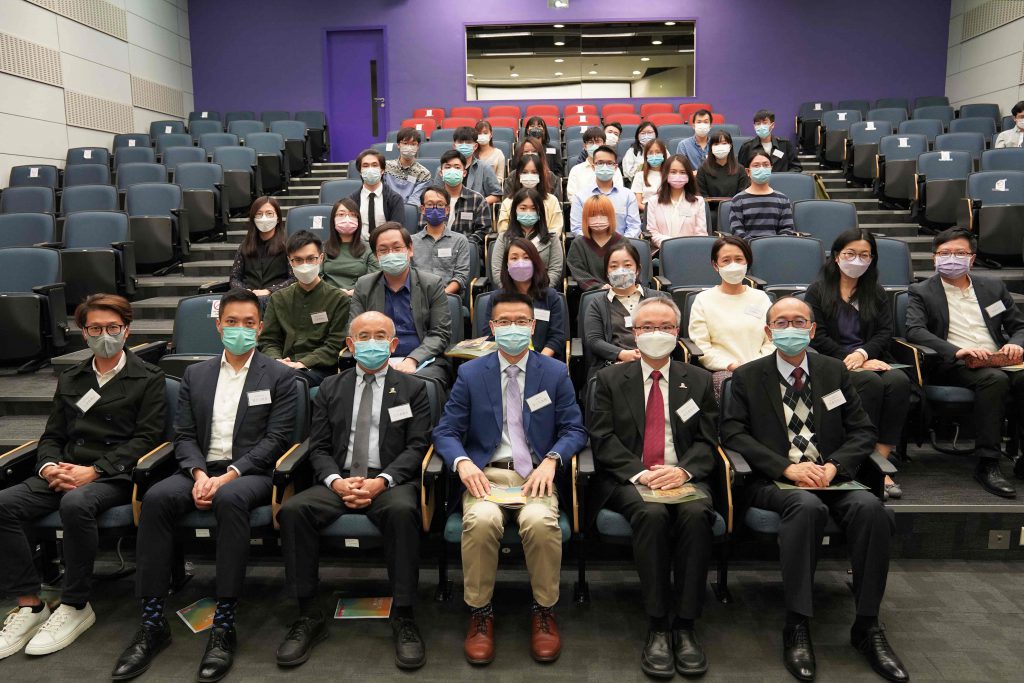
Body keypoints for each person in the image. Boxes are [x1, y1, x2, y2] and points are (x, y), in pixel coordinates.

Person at [720, 297, 909, 683]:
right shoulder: (748, 377)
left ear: (811, 329)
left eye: (799, 321)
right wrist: (786, 467)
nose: (791, 328)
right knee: (806, 509)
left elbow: (862, 431)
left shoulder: (833, 371)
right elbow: (733, 433)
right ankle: (797, 622)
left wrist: (833, 466)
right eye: (782, 322)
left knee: (872, 509)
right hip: (775, 479)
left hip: (830, 474)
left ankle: (868, 625)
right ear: (769, 332)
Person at [113, 289, 297, 682]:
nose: (240, 330)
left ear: (261, 328)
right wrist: (198, 474)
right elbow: (182, 435)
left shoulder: (279, 376)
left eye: (249, 323)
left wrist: (229, 475)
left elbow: (276, 440)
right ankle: (151, 622)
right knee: (158, 497)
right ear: (218, 326)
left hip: (250, 473)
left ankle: (224, 623)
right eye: (232, 322)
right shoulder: (195, 374)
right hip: (198, 469)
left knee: (230, 500)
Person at [0, 295, 164, 660]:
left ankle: (75, 603)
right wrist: (49, 467)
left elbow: (147, 438)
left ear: (127, 330)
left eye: (112, 328)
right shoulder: (72, 376)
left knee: (76, 503)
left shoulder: (148, 378)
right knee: (4, 504)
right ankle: (30, 602)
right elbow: (53, 435)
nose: (104, 335)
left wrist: (96, 470)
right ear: (83, 333)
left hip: (115, 475)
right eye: (95, 329)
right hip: (65, 469)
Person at [432, 291, 588, 666]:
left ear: (533, 327)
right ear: (491, 327)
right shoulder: (470, 373)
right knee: (481, 521)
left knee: (539, 521)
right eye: (504, 322)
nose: (513, 328)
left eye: (521, 322)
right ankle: (481, 612)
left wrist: (551, 460)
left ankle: (544, 609)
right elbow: (446, 431)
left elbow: (574, 429)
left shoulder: (554, 372)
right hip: (486, 475)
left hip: (536, 475)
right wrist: (463, 464)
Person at [275, 311, 432, 671]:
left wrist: (382, 481)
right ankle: (307, 614)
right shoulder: (330, 387)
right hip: (339, 478)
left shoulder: (413, 388)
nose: (371, 342)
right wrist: (335, 481)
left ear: (393, 345)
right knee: (294, 511)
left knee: (402, 512)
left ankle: (404, 615)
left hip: (389, 480)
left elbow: (417, 446)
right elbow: (317, 447)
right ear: (350, 344)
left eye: (380, 336)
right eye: (363, 336)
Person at [589, 297, 718, 678]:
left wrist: (684, 473)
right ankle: (658, 623)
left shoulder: (696, 379)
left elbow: (708, 440)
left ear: (676, 333)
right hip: (631, 478)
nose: (655, 334)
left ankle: (686, 625)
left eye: (664, 327)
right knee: (652, 513)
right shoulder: (610, 378)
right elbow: (602, 438)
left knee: (696, 513)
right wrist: (640, 474)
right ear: (634, 332)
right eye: (646, 327)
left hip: (683, 475)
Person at [906, 227, 1024, 497]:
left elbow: (1019, 326)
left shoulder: (993, 287)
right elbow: (915, 330)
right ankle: (988, 463)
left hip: (997, 359)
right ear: (934, 258)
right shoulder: (921, 291)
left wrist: (1016, 343)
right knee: (994, 381)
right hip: (952, 363)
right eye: (945, 253)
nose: (952, 258)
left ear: (972, 258)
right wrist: (957, 350)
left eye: (960, 253)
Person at [804, 229, 912, 499]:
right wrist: (849, 358)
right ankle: (861, 458)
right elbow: (817, 336)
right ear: (837, 256)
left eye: (864, 255)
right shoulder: (818, 290)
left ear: (872, 259)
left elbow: (885, 332)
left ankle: (881, 460)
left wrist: (863, 354)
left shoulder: (873, 290)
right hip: (832, 361)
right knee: (870, 382)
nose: (857, 260)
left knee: (899, 381)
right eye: (850, 254)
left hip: (870, 357)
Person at [350, 222, 452, 386]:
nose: (391, 254)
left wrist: (412, 360)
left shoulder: (431, 284)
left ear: (410, 249)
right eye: (383, 250)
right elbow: (353, 329)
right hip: (374, 359)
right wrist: (378, 362)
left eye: (397, 248)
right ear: (376, 256)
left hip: (422, 361)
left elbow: (440, 333)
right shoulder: (364, 285)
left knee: (420, 386)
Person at [260, 230, 350, 387]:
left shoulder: (338, 299)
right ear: (290, 262)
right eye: (298, 260)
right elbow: (269, 340)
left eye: (310, 259)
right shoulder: (278, 298)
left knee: (289, 381)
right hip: (282, 366)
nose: (305, 265)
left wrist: (302, 363)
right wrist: (277, 361)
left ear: (321, 258)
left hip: (319, 369)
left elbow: (334, 345)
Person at [688, 236, 774, 397]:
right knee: (730, 387)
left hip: (761, 367)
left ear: (747, 262)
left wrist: (756, 364)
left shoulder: (761, 298)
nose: (733, 265)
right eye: (726, 260)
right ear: (715, 265)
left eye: (739, 259)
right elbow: (702, 347)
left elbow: (772, 339)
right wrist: (730, 365)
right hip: (725, 371)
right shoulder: (703, 300)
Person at [583, 240, 666, 372]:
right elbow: (594, 340)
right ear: (606, 272)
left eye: (627, 265)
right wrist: (621, 354)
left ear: (638, 270)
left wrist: (648, 355)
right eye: (614, 266)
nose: (621, 271)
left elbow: (670, 332)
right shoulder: (597, 304)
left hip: (656, 363)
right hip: (614, 366)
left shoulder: (660, 299)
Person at [484, 237, 566, 359]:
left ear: (535, 262)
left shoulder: (550, 296)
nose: (520, 262)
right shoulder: (497, 298)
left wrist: (539, 361)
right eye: (514, 258)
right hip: (505, 361)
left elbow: (556, 337)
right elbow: (490, 336)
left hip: (542, 360)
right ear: (507, 264)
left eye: (526, 258)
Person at [491, 188, 565, 288]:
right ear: (515, 210)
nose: (528, 212)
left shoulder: (552, 238)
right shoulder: (503, 238)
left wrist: (539, 291)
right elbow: (497, 271)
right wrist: (514, 291)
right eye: (523, 208)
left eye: (533, 208)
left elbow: (555, 271)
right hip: (511, 294)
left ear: (540, 212)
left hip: (542, 293)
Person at [411, 185, 471, 296]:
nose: (435, 208)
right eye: (429, 204)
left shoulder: (460, 241)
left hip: (448, 298)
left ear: (447, 209)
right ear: (423, 209)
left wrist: (441, 295)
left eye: (440, 204)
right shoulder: (411, 242)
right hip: (418, 298)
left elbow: (461, 276)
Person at [569, 145, 641, 238]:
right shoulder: (580, 196)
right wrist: (597, 244)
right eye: (600, 163)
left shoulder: (628, 195)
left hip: (621, 248)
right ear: (593, 167)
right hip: (591, 247)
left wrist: (621, 245)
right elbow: (577, 228)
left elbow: (634, 227)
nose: (605, 167)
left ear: (615, 167)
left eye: (609, 163)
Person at [228, 197, 293, 297]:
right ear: (253, 219)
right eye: (259, 214)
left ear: (278, 219)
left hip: (277, 299)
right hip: (247, 299)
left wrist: (269, 291)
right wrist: (245, 291)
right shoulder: (245, 245)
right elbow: (234, 278)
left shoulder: (288, 245)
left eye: (269, 213)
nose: (264, 218)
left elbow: (294, 279)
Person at [646, 154, 708, 250]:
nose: (678, 176)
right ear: (666, 174)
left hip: (691, 252)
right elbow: (652, 232)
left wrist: (684, 247)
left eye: (682, 172)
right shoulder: (653, 201)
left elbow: (701, 234)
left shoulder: (698, 202)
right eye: (673, 172)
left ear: (688, 175)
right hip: (663, 252)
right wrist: (671, 245)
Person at [729, 151, 795, 239]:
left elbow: (787, 229)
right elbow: (737, 231)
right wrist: (755, 246)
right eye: (756, 165)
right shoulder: (738, 200)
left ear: (771, 168)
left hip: (776, 248)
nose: (761, 168)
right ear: (748, 171)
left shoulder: (783, 199)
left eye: (766, 165)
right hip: (748, 249)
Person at [567, 193, 625, 291]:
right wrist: (598, 286)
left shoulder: (623, 242)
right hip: (591, 296)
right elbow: (579, 272)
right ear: (586, 218)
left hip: (620, 293)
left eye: (603, 214)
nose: (598, 219)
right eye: (593, 215)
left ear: (611, 216)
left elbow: (630, 269)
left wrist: (615, 288)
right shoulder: (578, 244)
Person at [431, 149, 491, 245]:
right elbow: (423, 227)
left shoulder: (477, 199)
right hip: (435, 249)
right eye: (448, 167)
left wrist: (461, 246)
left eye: (457, 167)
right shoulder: (431, 199)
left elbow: (483, 231)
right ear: (441, 173)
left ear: (464, 173)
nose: (452, 170)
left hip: (466, 250)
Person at [322, 197, 380, 296]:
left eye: (352, 215)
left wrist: (355, 292)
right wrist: (334, 292)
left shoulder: (368, 249)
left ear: (358, 220)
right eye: (341, 214)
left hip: (360, 297)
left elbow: (375, 277)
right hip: (328, 297)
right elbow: (316, 278)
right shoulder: (322, 248)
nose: (347, 219)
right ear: (333, 219)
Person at [496, 154, 564, 235]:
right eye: (524, 172)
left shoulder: (552, 201)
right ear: (518, 175)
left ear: (540, 175)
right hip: (514, 245)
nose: (529, 175)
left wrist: (539, 242)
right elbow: (503, 231)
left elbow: (556, 230)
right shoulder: (507, 202)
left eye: (534, 172)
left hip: (545, 244)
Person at [350, 149, 404, 239]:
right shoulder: (352, 200)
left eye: (374, 165)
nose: (370, 169)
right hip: (359, 248)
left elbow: (397, 230)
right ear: (360, 171)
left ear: (382, 170)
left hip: (386, 245)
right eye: (365, 166)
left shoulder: (395, 199)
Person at [566, 127, 624, 203]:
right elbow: (572, 197)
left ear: (604, 144)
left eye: (598, 142)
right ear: (585, 146)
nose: (594, 145)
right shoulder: (576, 170)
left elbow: (619, 193)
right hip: (583, 211)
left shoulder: (613, 168)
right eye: (590, 142)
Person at [448, 126, 502, 204]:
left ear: (475, 146)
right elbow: (436, 192)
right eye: (460, 142)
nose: (464, 145)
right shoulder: (444, 168)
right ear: (454, 146)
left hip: (475, 213)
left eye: (468, 142)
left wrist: (479, 204)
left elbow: (497, 194)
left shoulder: (484, 167)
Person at [737, 109, 802, 172]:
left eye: (765, 123)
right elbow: (741, 171)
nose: (761, 126)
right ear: (754, 126)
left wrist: (784, 178)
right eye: (758, 123)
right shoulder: (747, 146)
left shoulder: (785, 144)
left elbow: (796, 168)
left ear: (772, 125)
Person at [384, 127, 433, 206]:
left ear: (418, 146)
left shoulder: (424, 174)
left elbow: (415, 199)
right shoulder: (386, 167)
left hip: (409, 212)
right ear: (398, 145)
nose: (409, 147)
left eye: (413, 144)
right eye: (405, 143)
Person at [697, 130, 750, 199]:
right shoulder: (703, 169)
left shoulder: (740, 169)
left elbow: (742, 195)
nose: (720, 147)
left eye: (724, 143)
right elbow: (702, 196)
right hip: (710, 208)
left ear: (730, 146)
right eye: (716, 144)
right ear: (711, 147)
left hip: (735, 208)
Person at [631, 138, 669, 212]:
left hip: (666, 211)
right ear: (646, 156)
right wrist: (651, 211)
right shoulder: (639, 175)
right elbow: (638, 203)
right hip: (646, 211)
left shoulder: (670, 174)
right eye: (650, 153)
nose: (654, 155)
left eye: (658, 152)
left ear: (664, 154)